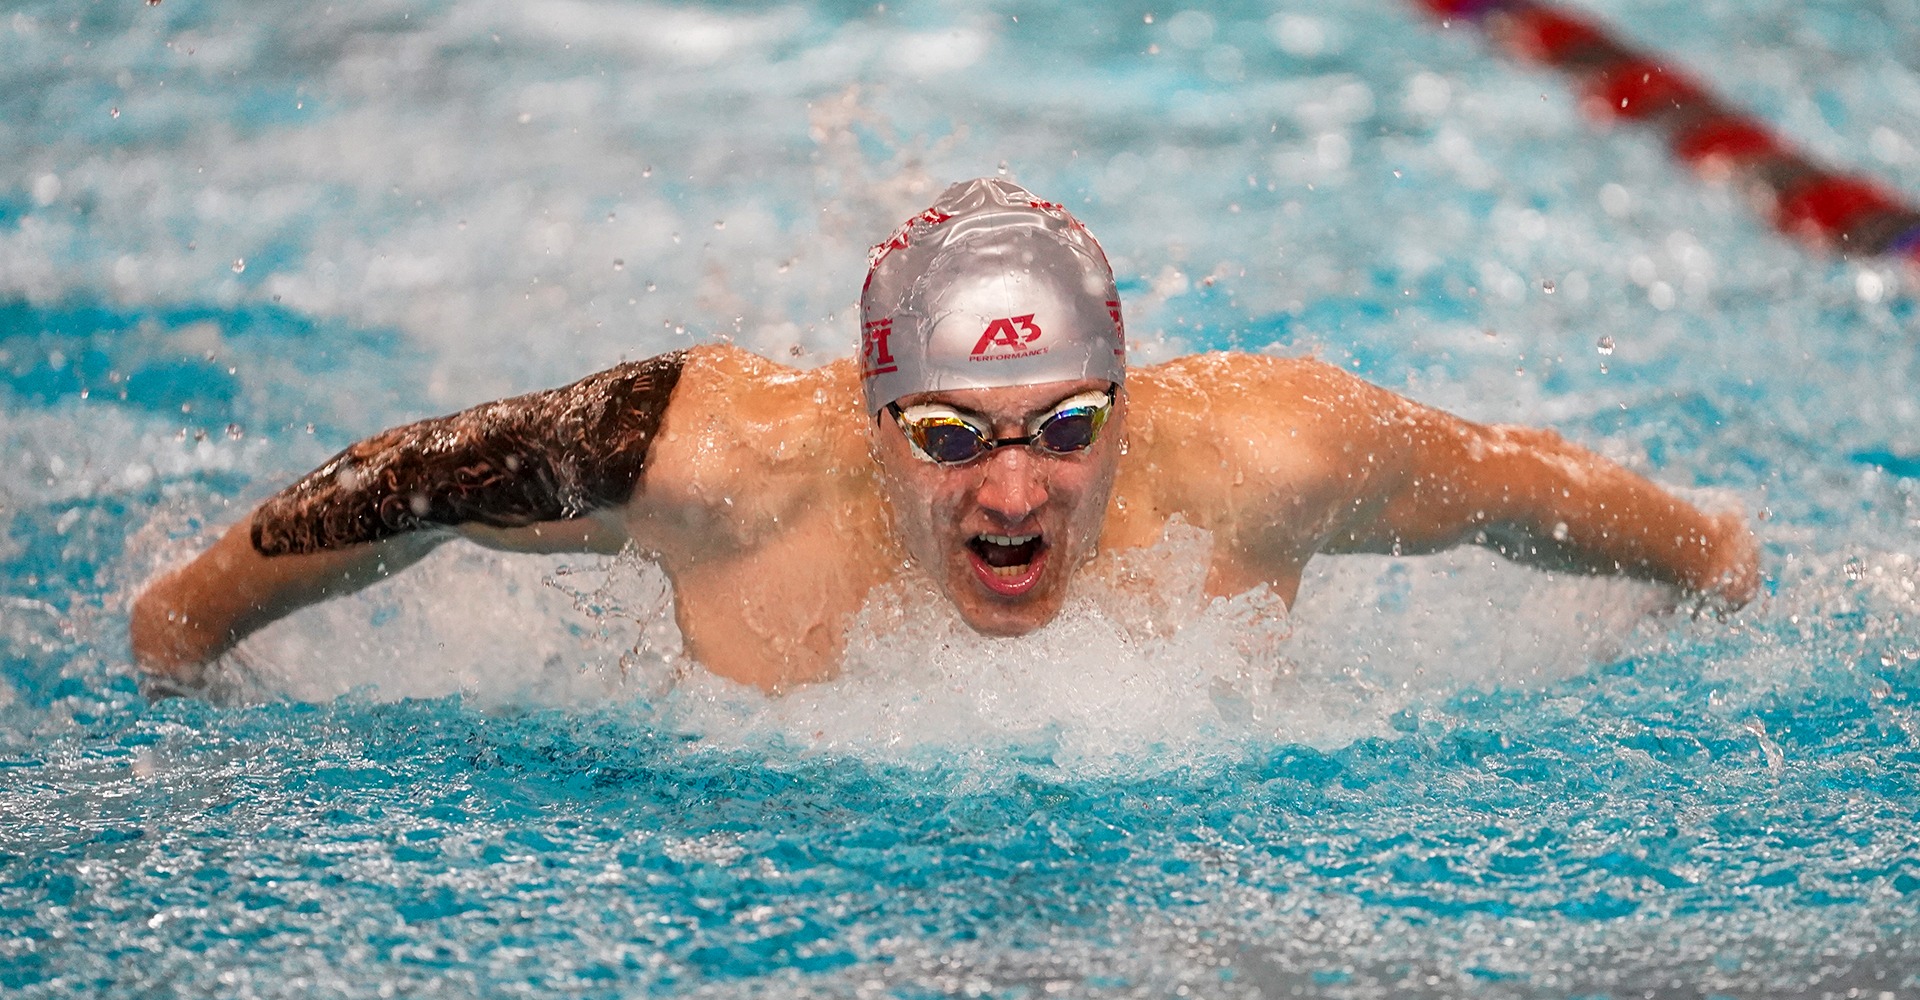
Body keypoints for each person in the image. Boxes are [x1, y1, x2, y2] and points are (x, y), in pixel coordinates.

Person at [130, 178, 1760, 693]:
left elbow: (1514, 487)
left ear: (1128, 401)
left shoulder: (1268, 451)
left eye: (1065, 424)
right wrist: (185, 632)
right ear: (864, 413)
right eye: (944, 432)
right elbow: (406, 481)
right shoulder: (713, 460)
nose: (1013, 485)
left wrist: (1720, 567)